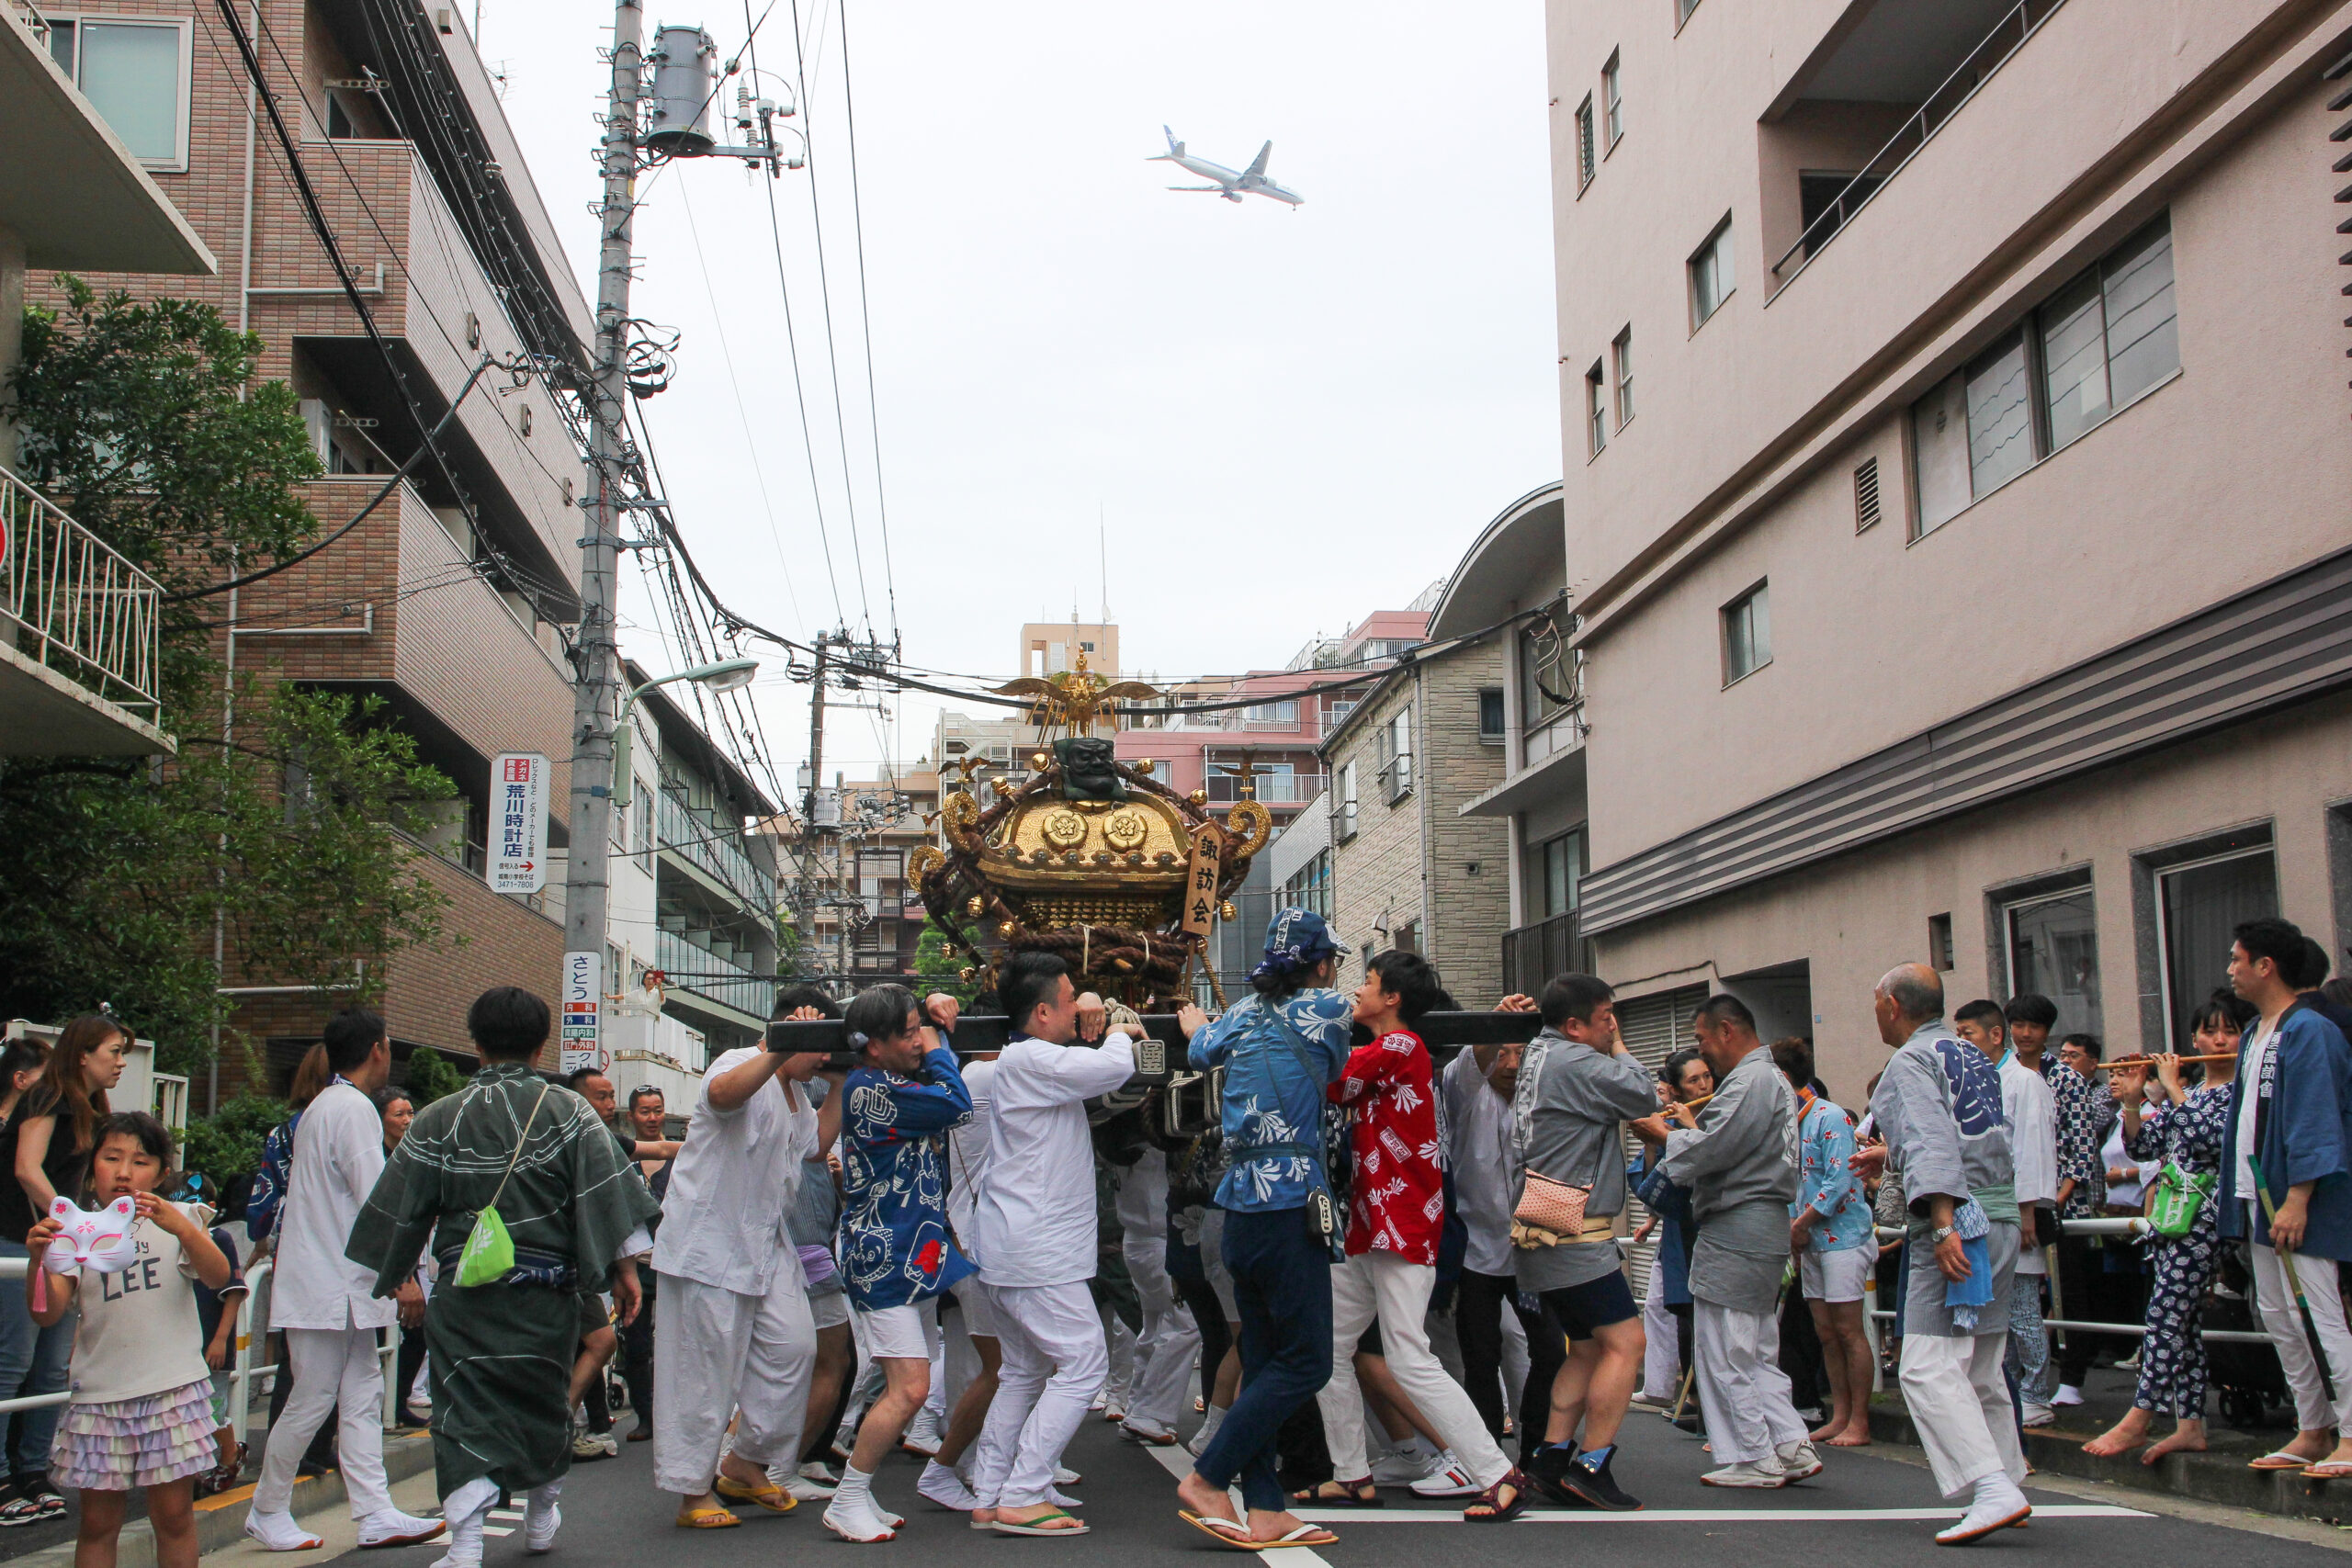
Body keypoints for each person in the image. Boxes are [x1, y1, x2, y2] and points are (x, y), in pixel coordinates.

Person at [347, 987, 660, 1568]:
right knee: (543, 1401)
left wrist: (398, 1272)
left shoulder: (438, 1117)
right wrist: (624, 1271)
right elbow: (607, 1195)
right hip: (547, 1293)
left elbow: (400, 1208)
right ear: (541, 1047)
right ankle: (541, 1514)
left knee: (462, 1411)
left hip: (464, 1291)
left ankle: (466, 1544)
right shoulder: (569, 1112)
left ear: (477, 1043)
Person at [1300, 952, 1527, 1518]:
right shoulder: (1392, 1050)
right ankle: (1351, 1474)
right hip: (1373, 1222)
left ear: (1393, 998)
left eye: (1368, 982)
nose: (1358, 990)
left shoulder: (1401, 1046)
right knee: (1327, 1346)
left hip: (1399, 1222)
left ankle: (1497, 1473)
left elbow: (1331, 1080)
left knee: (1407, 1356)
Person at [1170, 910, 1351, 1551]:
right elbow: (1337, 1067)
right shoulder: (1330, 1008)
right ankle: (1208, 1476)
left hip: (1238, 1208)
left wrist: (1199, 1024)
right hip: (1290, 1205)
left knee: (1266, 1359)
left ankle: (1267, 1508)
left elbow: (1199, 1048)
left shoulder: (1240, 1015)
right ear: (1321, 964)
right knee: (1308, 1362)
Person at [243, 1010, 442, 1552]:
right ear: (378, 1049)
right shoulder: (351, 1108)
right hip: (330, 1282)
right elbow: (378, 1201)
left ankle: (374, 1510)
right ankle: (268, 1507)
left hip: (335, 1280)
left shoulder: (325, 1106)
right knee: (315, 1397)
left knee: (360, 1393)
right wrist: (403, 1276)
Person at [1855, 964, 2028, 1544]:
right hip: (1999, 1216)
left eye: (1877, 1004)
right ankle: (2007, 1478)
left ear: (1893, 1005)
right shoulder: (1971, 1054)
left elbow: (1931, 1141)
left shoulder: (1908, 1061)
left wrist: (1944, 1222)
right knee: (1980, 1367)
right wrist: (1892, 1158)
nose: (1876, 1014)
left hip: (1957, 1220)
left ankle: (1992, 1488)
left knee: (1926, 1366)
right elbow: (1966, 1136)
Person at [964, 956, 1136, 1538]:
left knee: (1023, 1370)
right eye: (1068, 1002)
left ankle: (991, 1491)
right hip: (1036, 1248)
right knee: (1085, 1363)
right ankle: (1023, 1492)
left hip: (1016, 1243)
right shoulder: (1033, 1058)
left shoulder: (1025, 1060)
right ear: (1042, 1013)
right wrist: (1115, 1025)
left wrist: (1090, 1007)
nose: (1076, 1011)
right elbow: (1113, 1067)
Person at [28, 1112, 233, 1568]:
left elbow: (218, 1275)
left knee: (174, 1517)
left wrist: (183, 1228)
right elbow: (46, 1312)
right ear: (92, 1168)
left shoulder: (181, 1217)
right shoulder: (74, 1228)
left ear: (161, 1174)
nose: (124, 1172)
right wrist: (38, 1260)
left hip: (172, 1391)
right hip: (100, 1396)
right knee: (98, 1524)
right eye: (111, 1158)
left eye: (140, 1162)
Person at [652, 1011, 826, 1529]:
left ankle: (745, 1461)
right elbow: (722, 1096)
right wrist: (780, 1046)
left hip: (764, 1244)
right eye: (818, 1045)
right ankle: (692, 1492)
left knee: (794, 1347)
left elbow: (816, 1148)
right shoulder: (741, 1061)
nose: (823, 1057)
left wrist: (842, 1080)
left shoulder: (800, 1097)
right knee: (702, 1373)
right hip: (709, 1245)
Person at [830, 986, 977, 1541]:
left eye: (920, 1028)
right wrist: (939, 1044)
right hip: (882, 1256)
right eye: (910, 1033)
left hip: (907, 1252)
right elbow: (957, 1103)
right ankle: (847, 1498)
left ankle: (858, 1495)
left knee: (907, 1382)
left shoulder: (883, 1081)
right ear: (874, 1045)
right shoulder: (872, 1089)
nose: (919, 1040)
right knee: (910, 1389)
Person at [2082, 989, 2249, 1463]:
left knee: (2165, 1315)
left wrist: (2173, 1089)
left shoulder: (2239, 1092)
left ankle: (2139, 1417)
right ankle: (2189, 1425)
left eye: (2230, 1031)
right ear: (2194, 1038)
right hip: (2174, 1217)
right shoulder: (2193, 1094)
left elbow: (2211, 1139)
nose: (2219, 1040)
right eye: (2209, 1031)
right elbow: (2144, 1147)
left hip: (2208, 1216)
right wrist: (2134, 1101)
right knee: (2184, 1324)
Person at [1509, 974, 1655, 1512]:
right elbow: (1643, 1094)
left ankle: (1551, 1457)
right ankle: (1592, 1464)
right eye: (1605, 1018)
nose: (1612, 1027)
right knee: (1627, 1343)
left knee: (1588, 1348)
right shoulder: (1575, 1062)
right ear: (1574, 1025)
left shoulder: (1539, 1054)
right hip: (1576, 1233)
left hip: (1541, 1228)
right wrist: (1619, 1048)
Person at [2217, 917, 2352, 1477]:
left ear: (2265, 966)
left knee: (2322, 1313)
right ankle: (2312, 1426)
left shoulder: (2310, 1029)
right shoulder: (2256, 1031)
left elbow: (2317, 1116)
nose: (2230, 969)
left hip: (2301, 1198)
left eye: (2237, 959)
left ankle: (2351, 1431)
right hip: (2257, 1193)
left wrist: (2298, 1197)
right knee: (2277, 1314)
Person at [1660, 996, 1813, 1489]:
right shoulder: (1770, 1079)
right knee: (1756, 1346)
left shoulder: (1750, 1081)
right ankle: (1789, 1442)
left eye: (1702, 1039)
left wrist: (1665, 1137)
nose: (1702, 1052)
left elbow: (1713, 1147)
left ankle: (1754, 1454)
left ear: (1726, 1031)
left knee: (1726, 1346)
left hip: (1738, 1223)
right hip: (1762, 1225)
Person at [0, 1018, 123, 1526]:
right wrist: (75, 1224)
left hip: (62, 1246)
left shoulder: (91, 1110)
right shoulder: (48, 1097)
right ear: (83, 1054)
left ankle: (34, 1469)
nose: (120, 1062)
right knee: (13, 1359)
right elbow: (27, 1168)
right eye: (114, 1051)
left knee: (53, 1367)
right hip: (20, 1239)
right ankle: (3, 1475)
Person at [1447, 1008, 1562, 1469]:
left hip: (1531, 1250)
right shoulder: (1465, 1094)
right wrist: (1494, 1025)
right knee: (1480, 1357)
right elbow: (1469, 1064)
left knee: (1549, 1349)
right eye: (1503, 1053)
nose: (1511, 1064)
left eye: (1520, 1053)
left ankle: (1535, 1447)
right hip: (1475, 1250)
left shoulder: (1540, 1100)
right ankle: (1488, 1456)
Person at [1953, 999, 2058, 1429]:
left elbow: (2033, 1148)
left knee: (2023, 1308)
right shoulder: (1975, 1080)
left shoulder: (2025, 1081)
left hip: (2015, 1209)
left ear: (1995, 1035)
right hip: (1984, 1210)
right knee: (1996, 1313)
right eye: (1958, 1036)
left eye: (1968, 1035)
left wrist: (2027, 1211)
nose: (1961, 1043)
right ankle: (2010, 1389)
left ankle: (2035, 1392)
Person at [1776, 1037, 1873, 1450]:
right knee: (1827, 1333)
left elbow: (1839, 1181)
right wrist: (1795, 1228)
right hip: (1809, 1239)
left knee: (1849, 1331)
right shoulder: (1787, 1123)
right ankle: (1841, 1415)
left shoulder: (1830, 1116)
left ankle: (1861, 1421)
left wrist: (1802, 1223)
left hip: (1843, 1237)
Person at [1629, 1049, 1710, 1419]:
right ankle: (1695, 1402)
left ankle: (1707, 1408)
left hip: (1713, 1230)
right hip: (1682, 1233)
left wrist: (1685, 1130)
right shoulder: (1672, 1124)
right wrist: (1653, 1141)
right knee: (1683, 1316)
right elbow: (1651, 1185)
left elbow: (1711, 1162)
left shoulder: (1720, 1114)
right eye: (1694, 1080)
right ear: (1676, 1090)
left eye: (1706, 1077)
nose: (1704, 1085)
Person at [372, 1087, 429, 1431]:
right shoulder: (373, 1157)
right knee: (381, 1337)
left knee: (417, 1331)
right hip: (381, 1259)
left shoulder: (412, 1154)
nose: (408, 1120)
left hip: (411, 1255)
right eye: (399, 1114)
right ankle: (380, 1408)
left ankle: (397, 1401)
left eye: (410, 1113)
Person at [618, 1084, 670, 1444]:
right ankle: (645, 1415)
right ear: (632, 1116)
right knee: (635, 1344)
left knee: (675, 1343)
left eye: (658, 1110)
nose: (652, 1118)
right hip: (634, 1263)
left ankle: (673, 1415)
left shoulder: (679, 1154)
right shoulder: (622, 1158)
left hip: (672, 1263)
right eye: (645, 1111)